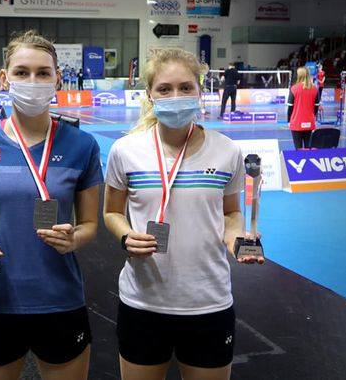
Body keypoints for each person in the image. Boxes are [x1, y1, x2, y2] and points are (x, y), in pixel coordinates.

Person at [0, 30, 102, 380]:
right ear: (4, 78)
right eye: (22, 72)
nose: (32, 81)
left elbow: (90, 225)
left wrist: (74, 239)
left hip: (60, 300)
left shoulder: (83, 146)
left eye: (43, 73)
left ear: (57, 79)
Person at [104, 48, 263, 380]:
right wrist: (126, 235)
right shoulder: (125, 151)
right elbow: (112, 212)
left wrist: (237, 239)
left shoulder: (227, 151)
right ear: (150, 95)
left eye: (185, 87)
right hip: (142, 303)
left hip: (209, 303)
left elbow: (231, 213)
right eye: (164, 89)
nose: (176, 96)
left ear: (199, 91)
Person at [288, 67, 319, 150]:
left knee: (299, 150)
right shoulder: (315, 89)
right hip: (310, 123)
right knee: (309, 149)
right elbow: (316, 107)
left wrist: (288, 121)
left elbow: (290, 108)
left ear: (299, 75)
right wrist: (312, 117)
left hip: (296, 123)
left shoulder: (294, 88)